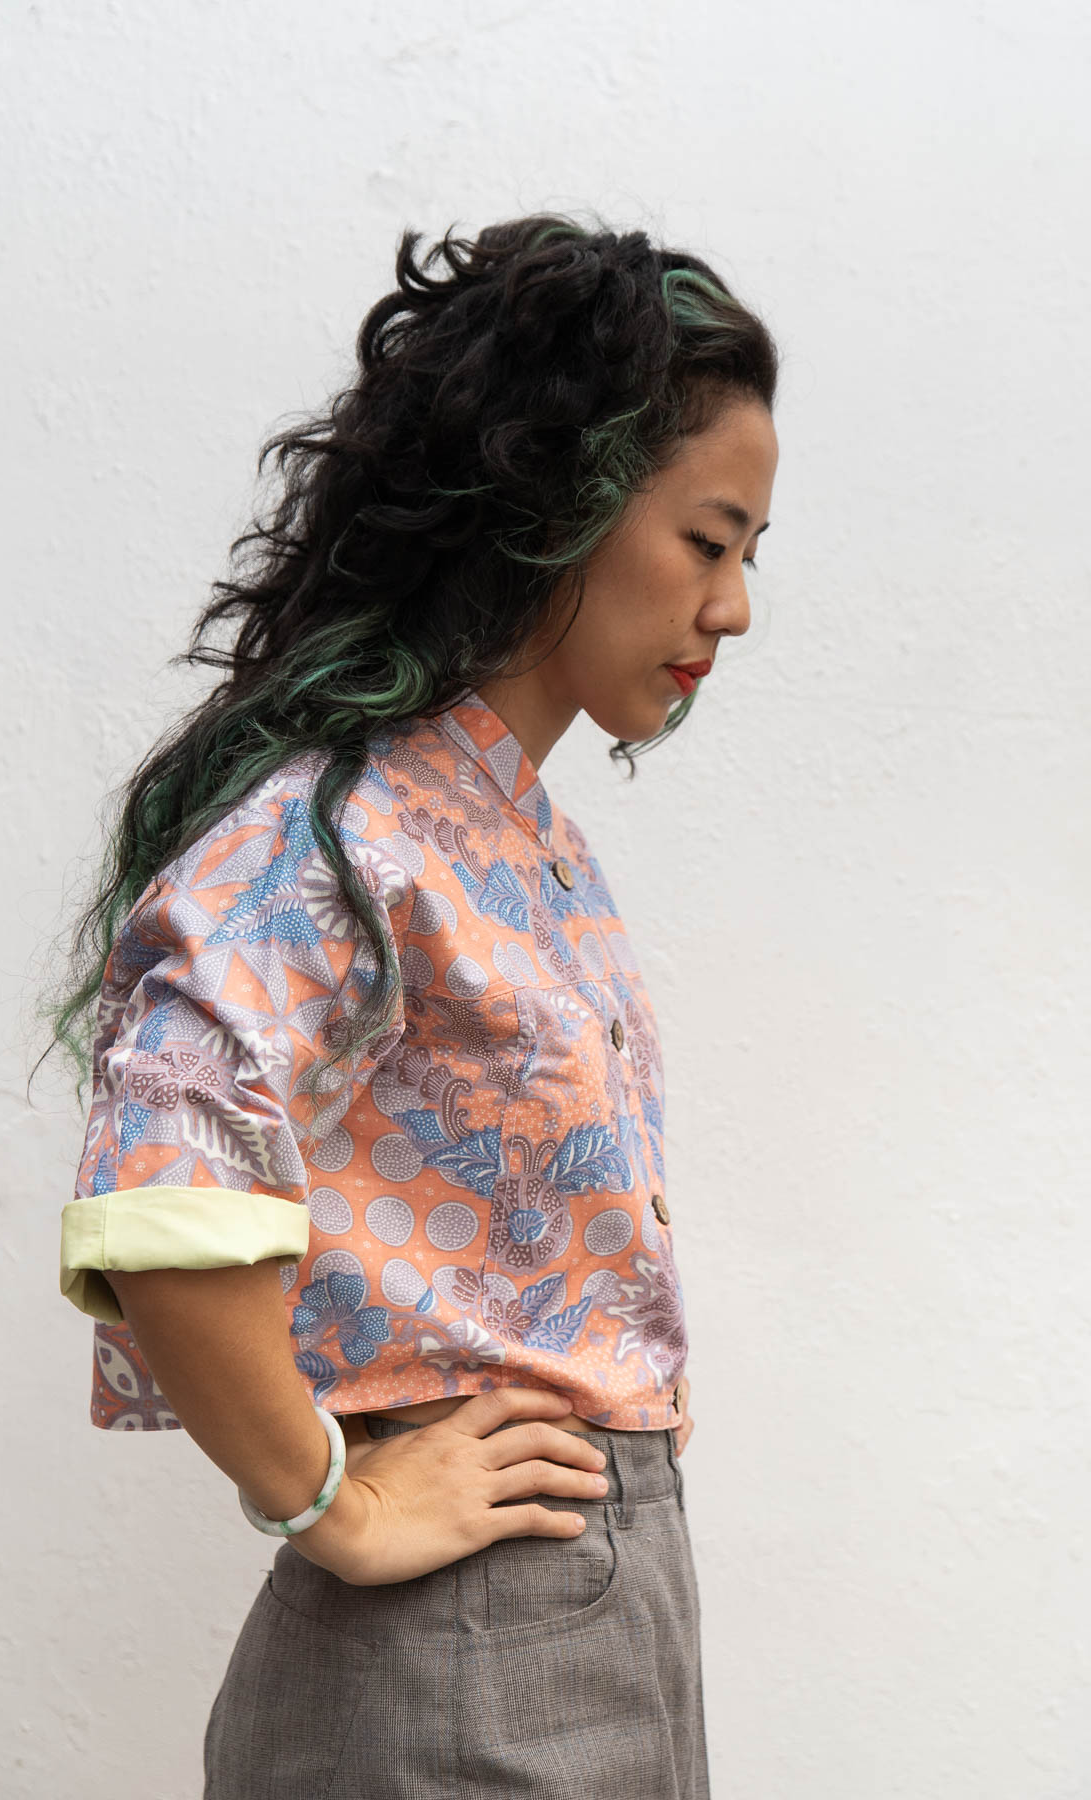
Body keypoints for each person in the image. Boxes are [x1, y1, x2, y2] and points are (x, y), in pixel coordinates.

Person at [48, 211, 779, 1798]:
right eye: (708, 540)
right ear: (557, 502)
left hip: (592, 1610)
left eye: (749, 556)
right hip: (469, 1661)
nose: (732, 607)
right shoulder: (341, 833)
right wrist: (334, 1499)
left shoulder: (517, 840)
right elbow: (163, 1203)